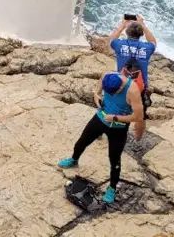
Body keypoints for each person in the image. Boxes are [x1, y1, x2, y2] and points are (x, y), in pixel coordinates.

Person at [57, 72, 145, 204]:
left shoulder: (132, 90)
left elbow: (138, 116)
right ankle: (74, 160)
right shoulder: (107, 76)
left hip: (118, 127)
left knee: (114, 159)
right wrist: (96, 96)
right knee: (81, 142)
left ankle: (112, 188)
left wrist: (115, 118)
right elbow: (97, 88)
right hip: (100, 118)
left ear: (120, 87)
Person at [109, 15, 157, 114]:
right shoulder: (147, 48)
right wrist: (142, 24)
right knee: (138, 114)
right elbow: (153, 42)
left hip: (121, 84)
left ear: (127, 32)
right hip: (139, 86)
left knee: (119, 110)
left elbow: (112, 40)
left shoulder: (119, 45)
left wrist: (123, 25)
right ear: (141, 34)